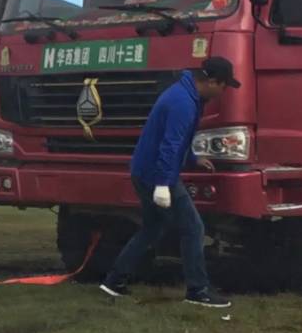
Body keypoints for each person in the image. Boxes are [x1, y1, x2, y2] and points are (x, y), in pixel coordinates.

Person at [100, 57, 240, 308]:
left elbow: (177, 140)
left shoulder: (185, 94)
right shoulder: (183, 103)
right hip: (157, 175)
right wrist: (164, 184)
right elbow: (169, 145)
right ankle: (198, 290)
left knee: (152, 228)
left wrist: (194, 159)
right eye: (224, 86)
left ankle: (114, 281)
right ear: (211, 81)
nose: (224, 92)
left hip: (144, 172)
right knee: (193, 228)